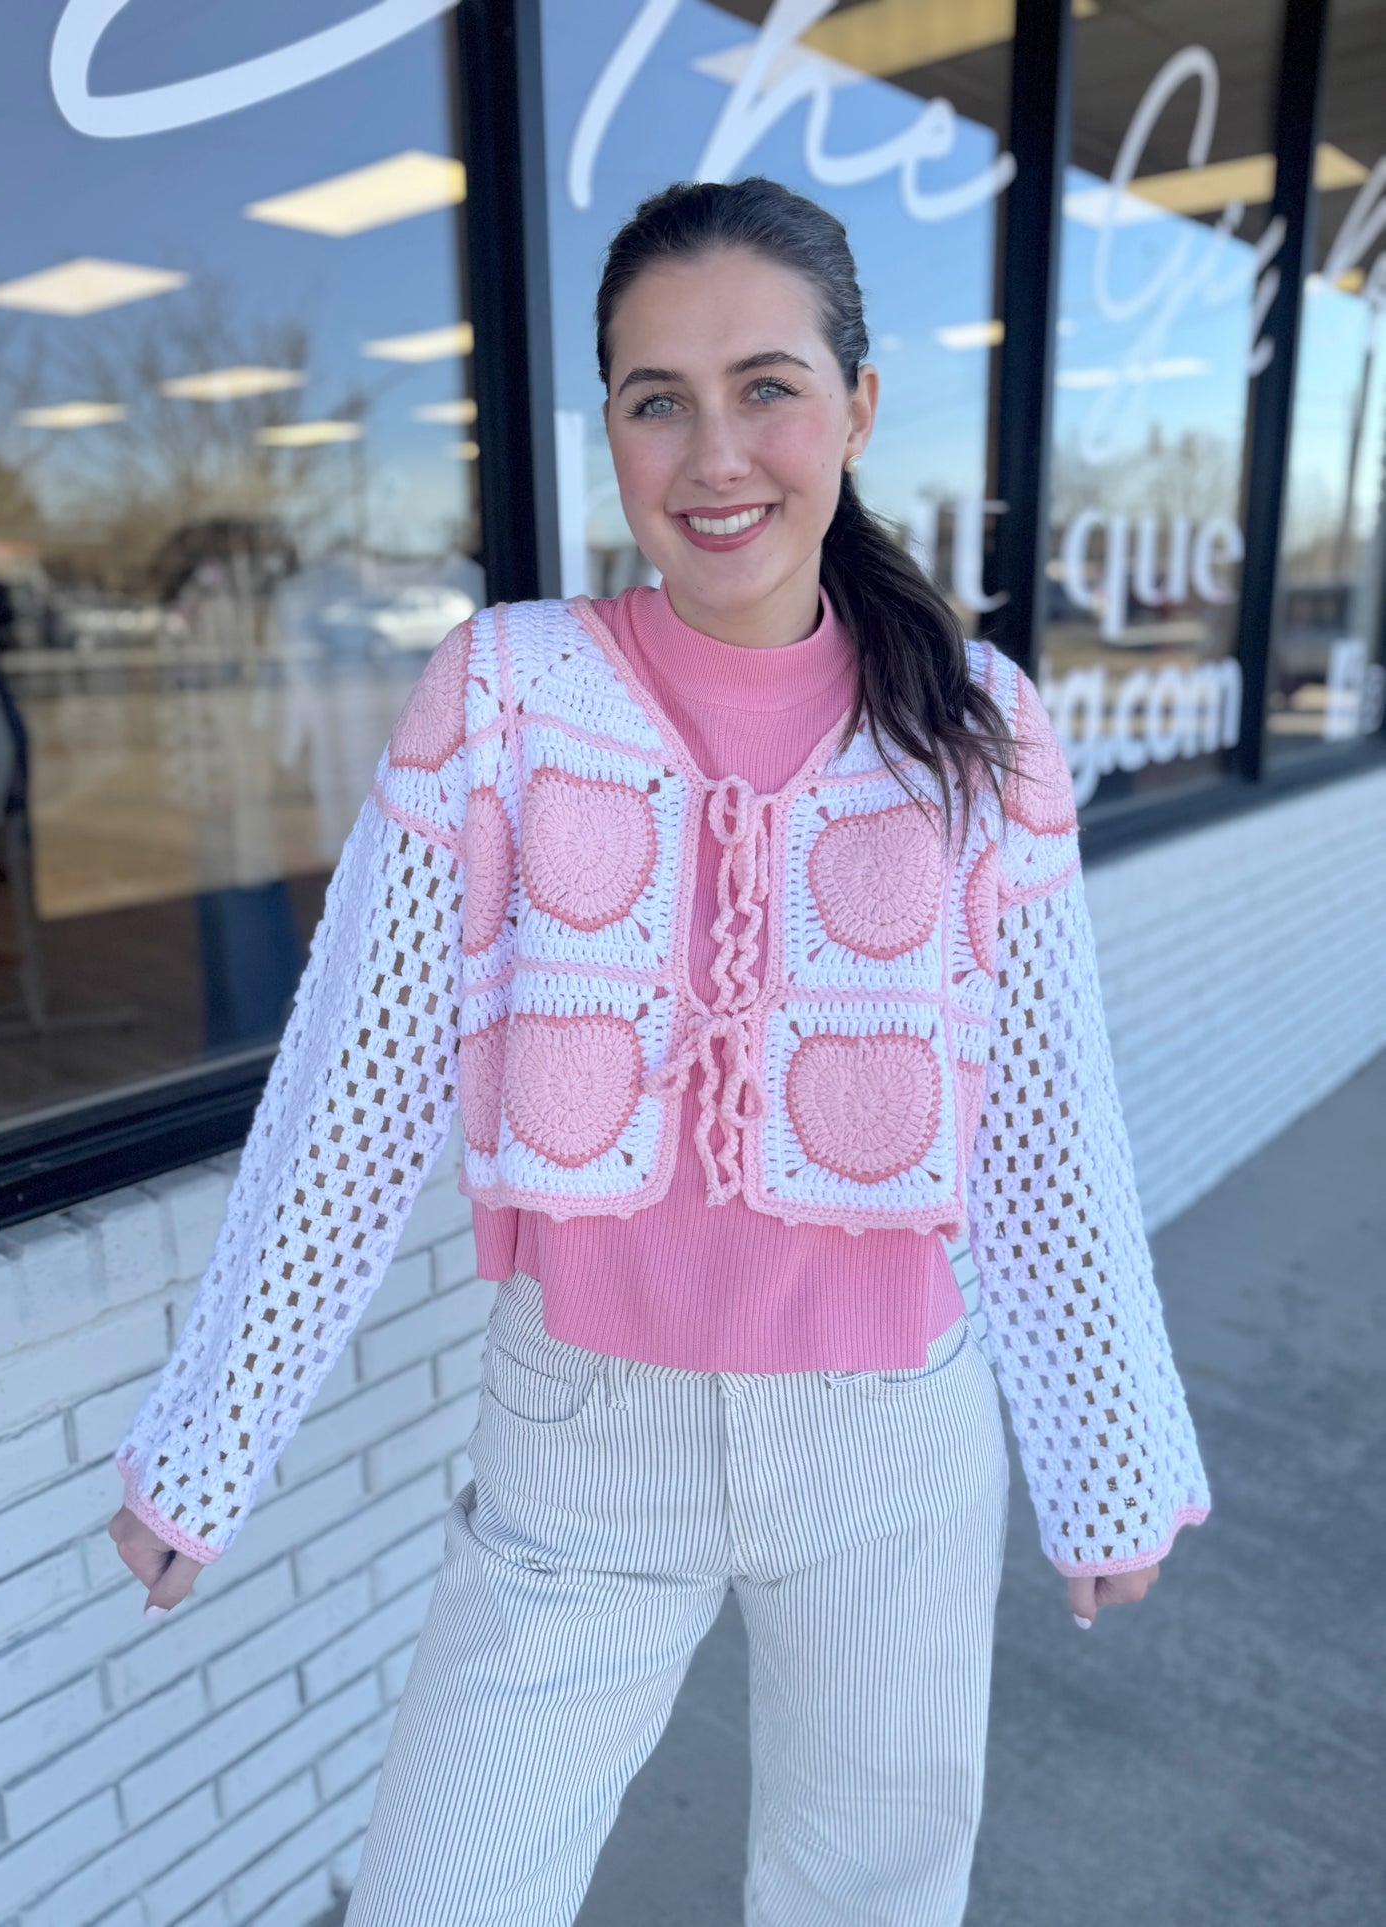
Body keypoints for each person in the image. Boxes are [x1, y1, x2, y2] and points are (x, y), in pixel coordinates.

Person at [107, 178, 1211, 1926]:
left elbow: (1044, 1120)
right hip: (580, 1444)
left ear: (857, 406)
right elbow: (347, 1097)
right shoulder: (502, 697)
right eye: (656, 401)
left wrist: (1109, 1449)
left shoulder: (978, 727)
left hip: (889, 1447)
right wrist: (212, 1437)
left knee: (868, 1899)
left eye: (767, 388)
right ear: (606, 426)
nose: (714, 456)